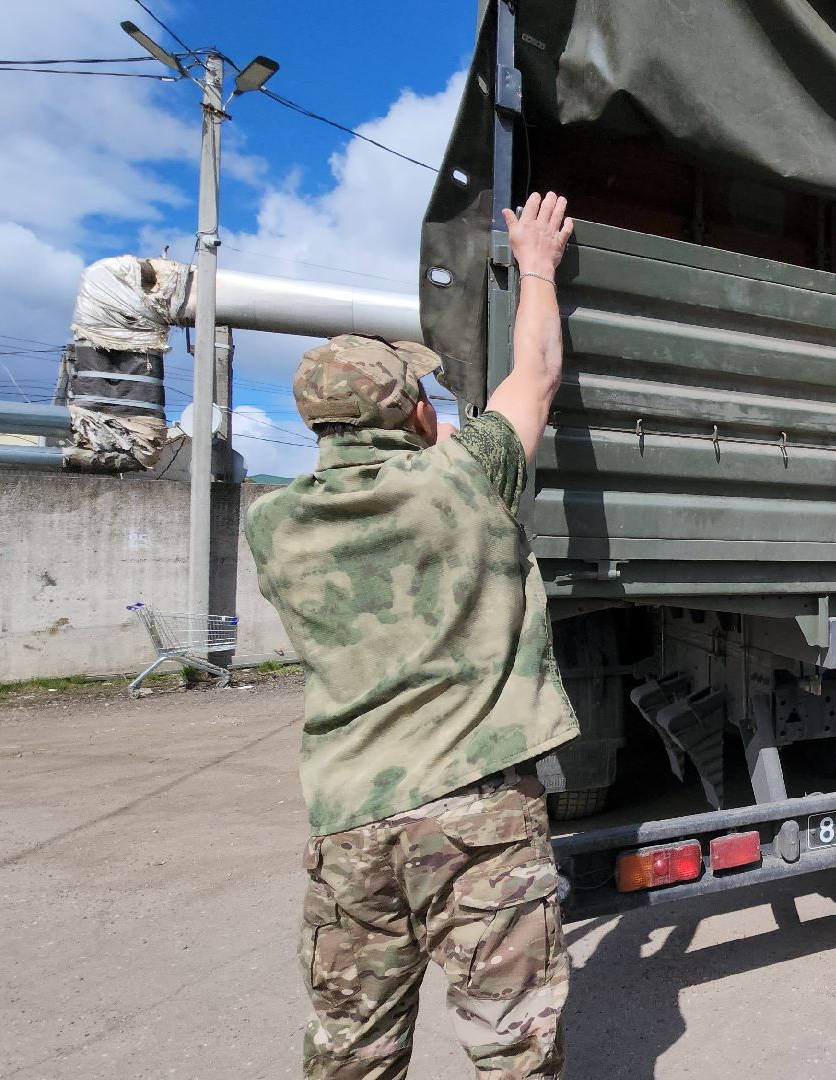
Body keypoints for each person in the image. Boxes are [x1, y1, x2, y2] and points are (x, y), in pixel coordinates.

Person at [245, 191, 581, 1077]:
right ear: (416, 417)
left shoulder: (271, 523)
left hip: (349, 824)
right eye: (427, 394)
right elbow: (536, 375)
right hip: (478, 816)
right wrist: (538, 264)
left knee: (351, 1053)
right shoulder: (465, 478)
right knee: (515, 1053)